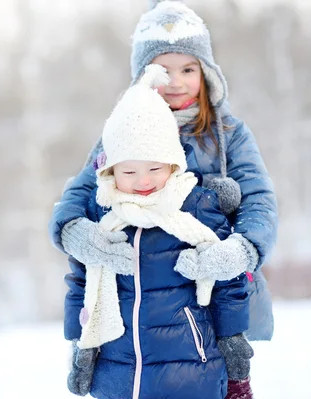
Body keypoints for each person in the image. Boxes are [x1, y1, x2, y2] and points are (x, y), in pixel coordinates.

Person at [50, 1, 278, 397]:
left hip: (212, 292)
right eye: (163, 70)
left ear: (206, 73)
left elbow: (259, 199)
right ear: (142, 76)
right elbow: (85, 188)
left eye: (188, 69)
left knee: (217, 378)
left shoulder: (228, 134)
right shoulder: (123, 133)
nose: (176, 81)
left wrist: (240, 250)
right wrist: (75, 230)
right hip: (143, 297)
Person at [62, 64, 252, 399]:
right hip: (118, 374)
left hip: (191, 369)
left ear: (174, 164)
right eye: (130, 171)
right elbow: (81, 283)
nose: (144, 181)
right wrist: (80, 346)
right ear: (109, 171)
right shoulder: (101, 216)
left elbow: (228, 283)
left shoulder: (197, 209)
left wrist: (232, 337)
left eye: (154, 168)